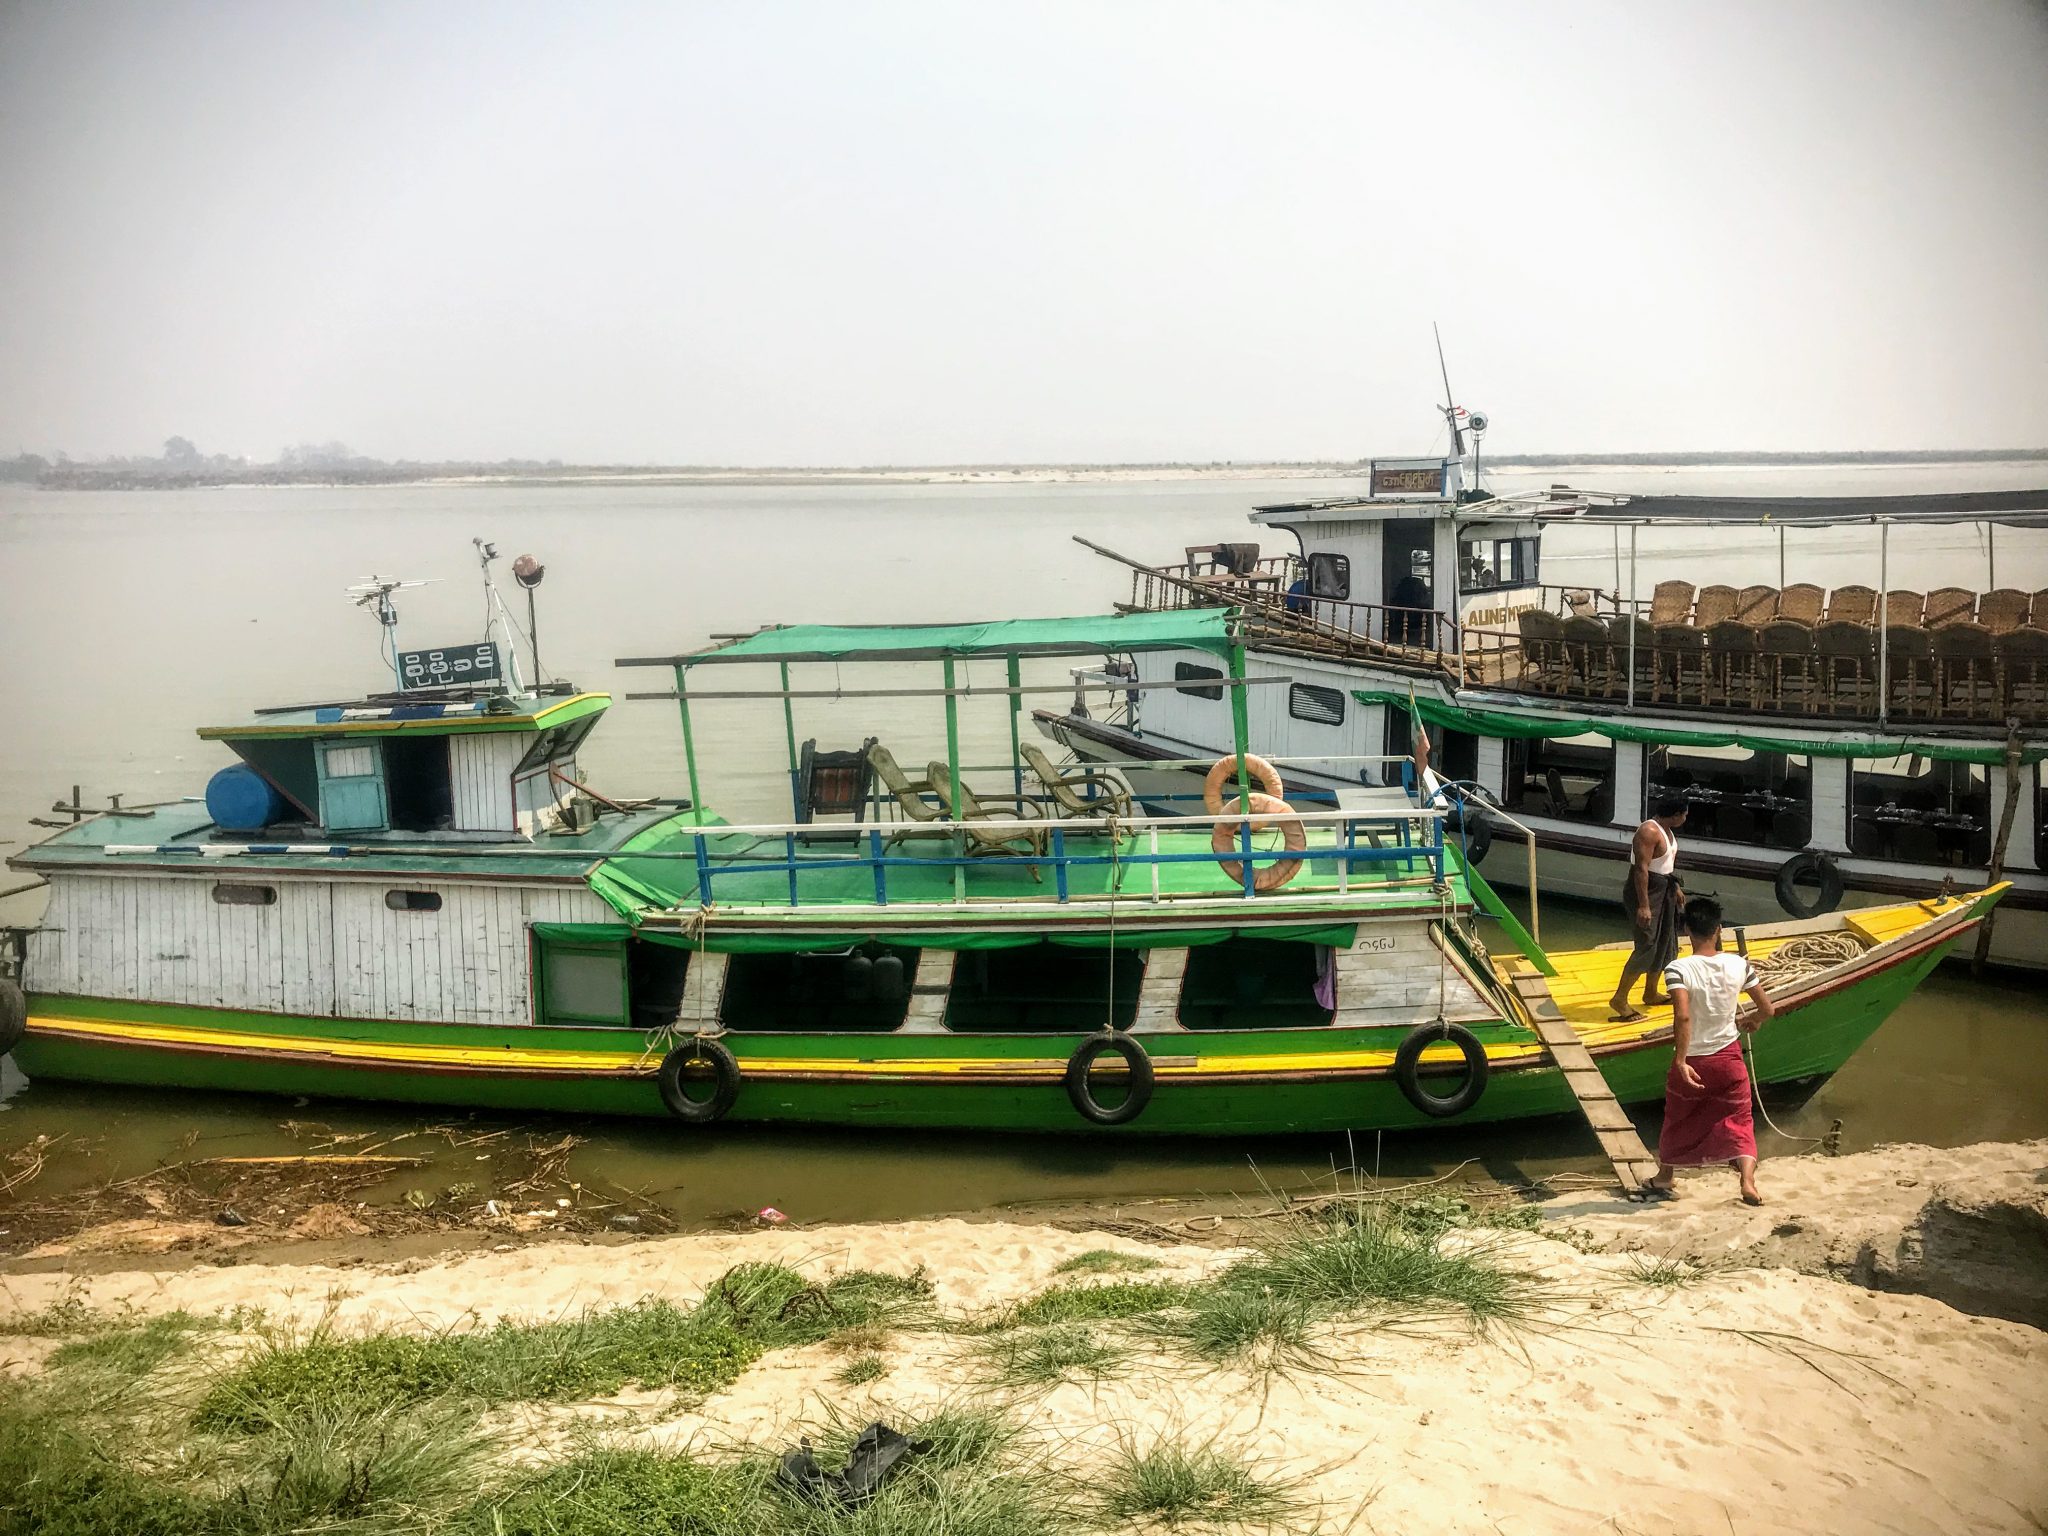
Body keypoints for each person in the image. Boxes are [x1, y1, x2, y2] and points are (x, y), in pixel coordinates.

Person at [1643, 895, 1775, 1204]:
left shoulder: (1678, 969)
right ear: (1718, 929)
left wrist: (1680, 1060)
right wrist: (1752, 1021)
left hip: (1695, 1059)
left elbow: (1683, 1016)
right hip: (1729, 1057)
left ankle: (1665, 1177)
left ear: (1687, 930)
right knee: (1740, 1119)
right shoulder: (1738, 964)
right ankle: (1747, 1182)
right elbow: (1767, 1009)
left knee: (1678, 1117)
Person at [1608, 794, 1689, 1021]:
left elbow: (1664, 864)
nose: (1685, 819)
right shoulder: (1649, 831)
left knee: (1666, 941)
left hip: (1665, 888)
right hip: (1647, 891)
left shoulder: (1668, 831)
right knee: (1647, 943)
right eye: (1684, 815)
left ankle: (1651, 991)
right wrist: (1643, 905)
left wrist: (1675, 889)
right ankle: (1620, 999)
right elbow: (1641, 869)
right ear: (1675, 815)